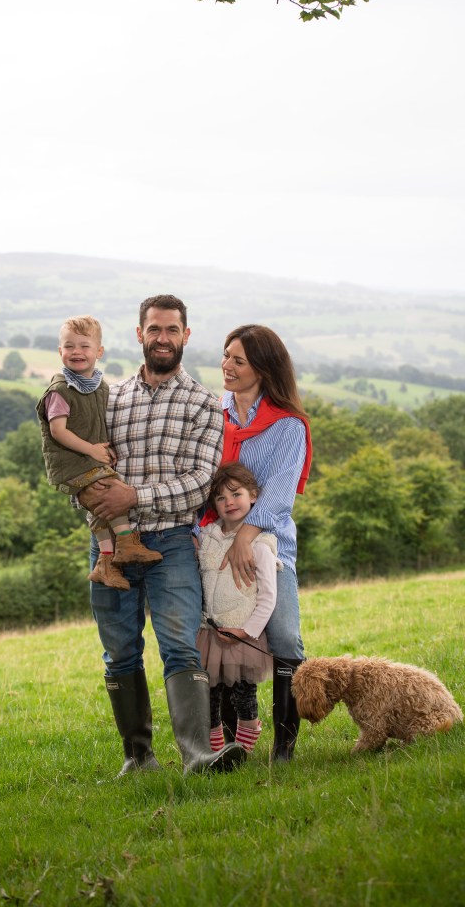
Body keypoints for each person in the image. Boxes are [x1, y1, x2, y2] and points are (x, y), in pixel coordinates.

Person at [78, 295, 247, 775]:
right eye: (155, 329)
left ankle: (197, 756)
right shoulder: (109, 399)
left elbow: (201, 479)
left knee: (179, 643)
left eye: (172, 330)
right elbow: (84, 467)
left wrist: (135, 497)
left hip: (171, 541)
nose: (163, 338)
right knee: (120, 650)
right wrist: (93, 504)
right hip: (110, 543)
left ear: (186, 336)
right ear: (139, 334)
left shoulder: (202, 404)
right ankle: (139, 758)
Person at [216, 324, 313, 762]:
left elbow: (279, 491)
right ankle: (233, 743)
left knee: (285, 637)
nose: (227, 366)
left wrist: (247, 538)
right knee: (224, 641)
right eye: (226, 356)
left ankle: (284, 748)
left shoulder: (287, 425)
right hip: (213, 545)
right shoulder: (212, 412)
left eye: (239, 359)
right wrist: (224, 541)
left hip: (270, 548)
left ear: (263, 367)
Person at [36, 315, 163, 591]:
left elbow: (97, 424)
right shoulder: (60, 391)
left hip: (89, 458)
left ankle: (106, 560)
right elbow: (58, 431)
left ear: (99, 352)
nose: (76, 352)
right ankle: (127, 544)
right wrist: (92, 450)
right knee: (111, 489)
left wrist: (107, 448)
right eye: (69, 347)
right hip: (71, 462)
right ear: (60, 352)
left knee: (99, 505)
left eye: (84, 346)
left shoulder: (100, 387)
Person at [195, 462, 278, 756]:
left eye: (236, 494)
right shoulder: (206, 538)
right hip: (210, 632)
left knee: (244, 695)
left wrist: (248, 631)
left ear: (253, 495)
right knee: (208, 695)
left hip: (242, 633)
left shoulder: (260, 544)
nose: (229, 502)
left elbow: (268, 596)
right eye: (220, 498)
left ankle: (243, 749)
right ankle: (217, 752)